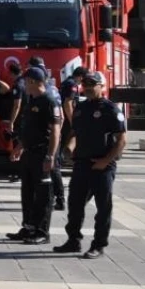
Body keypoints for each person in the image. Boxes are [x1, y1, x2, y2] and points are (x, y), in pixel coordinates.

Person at [54, 71, 126, 259]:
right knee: (75, 204)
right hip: (81, 164)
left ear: (102, 86)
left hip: (102, 165)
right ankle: (73, 241)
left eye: (92, 84)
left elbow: (121, 140)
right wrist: (69, 149)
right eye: (85, 85)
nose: (87, 88)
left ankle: (98, 245)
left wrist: (105, 161)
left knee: (103, 208)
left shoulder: (111, 109)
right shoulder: (80, 108)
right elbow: (75, 133)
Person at [8, 67, 62, 246]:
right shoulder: (32, 100)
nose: (24, 84)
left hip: (42, 153)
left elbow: (55, 130)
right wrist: (20, 146)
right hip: (29, 152)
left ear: (34, 81)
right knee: (28, 192)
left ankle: (42, 231)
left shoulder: (49, 101)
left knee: (44, 194)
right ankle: (28, 227)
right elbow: (29, 129)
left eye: (26, 81)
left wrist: (51, 156)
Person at [54, 67, 87, 211]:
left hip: (66, 121)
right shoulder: (72, 84)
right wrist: (74, 122)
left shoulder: (68, 82)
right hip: (67, 122)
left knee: (60, 153)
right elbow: (67, 103)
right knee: (59, 154)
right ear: (80, 76)